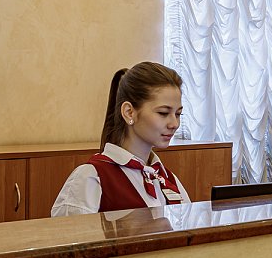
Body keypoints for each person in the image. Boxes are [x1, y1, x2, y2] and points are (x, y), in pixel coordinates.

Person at [51, 62, 190, 216]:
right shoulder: (91, 177)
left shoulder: (168, 179)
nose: (174, 124)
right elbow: (71, 231)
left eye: (178, 114)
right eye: (163, 113)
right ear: (129, 112)